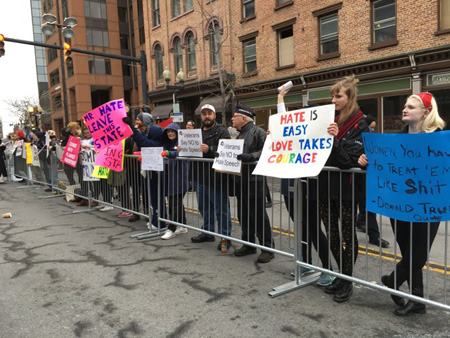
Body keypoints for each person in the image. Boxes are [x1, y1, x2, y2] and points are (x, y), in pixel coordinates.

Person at [359, 92, 446, 316]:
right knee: (408, 253)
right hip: (398, 207)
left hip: (428, 207)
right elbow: (381, 166)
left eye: (411, 107)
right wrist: (364, 160)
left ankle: (392, 281)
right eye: (405, 106)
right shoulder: (394, 141)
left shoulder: (440, 139)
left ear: (426, 112)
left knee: (418, 256)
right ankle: (417, 300)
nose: (404, 110)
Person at [318, 75, 370, 303]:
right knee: (332, 233)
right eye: (332, 95)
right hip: (325, 185)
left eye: (338, 96)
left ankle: (347, 279)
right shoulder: (330, 119)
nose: (333, 99)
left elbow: (348, 160)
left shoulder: (360, 124)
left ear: (349, 98)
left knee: (347, 234)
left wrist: (335, 139)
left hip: (347, 189)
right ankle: (340, 273)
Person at [277, 91, 334, 285]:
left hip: (310, 188)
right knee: (301, 228)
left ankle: (328, 269)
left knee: (312, 228)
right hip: (289, 187)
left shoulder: (319, 137)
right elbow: (281, 122)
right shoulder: (289, 135)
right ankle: (306, 262)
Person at [231, 104, 274, 263]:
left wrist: (251, 156)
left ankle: (268, 248)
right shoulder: (240, 135)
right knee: (244, 215)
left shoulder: (259, 132)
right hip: (242, 181)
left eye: (234, 116)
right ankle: (248, 244)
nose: (232, 119)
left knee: (258, 216)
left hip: (255, 181)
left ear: (243, 118)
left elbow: (266, 151)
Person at [190, 104, 233, 250]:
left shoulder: (222, 131)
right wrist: (182, 149)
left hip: (216, 178)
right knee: (204, 208)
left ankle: (225, 238)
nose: (206, 116)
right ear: (200, 116)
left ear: (214, 115)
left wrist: (210, 149)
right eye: (204, 114)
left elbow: (227, 150)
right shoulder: (197, 133)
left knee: (221, 210)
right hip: (199, 177)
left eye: (209, 113)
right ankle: (207, 232)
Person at [123, 112, 166, 230]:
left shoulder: (155, 143)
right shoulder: (153, 140)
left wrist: (131, 126)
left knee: (157, 199)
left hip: (155, 174)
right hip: (150, 172)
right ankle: (155, 221)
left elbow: (142, 141)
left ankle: (160, 223)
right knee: (153, 198)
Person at [355, 115, 390, 248]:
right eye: (370, 127)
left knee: (369, 205)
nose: (372, 130)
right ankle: (347, 234)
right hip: (351, 176)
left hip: (365, 177)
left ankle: (374, 236)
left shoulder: (373, 138)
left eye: (374, 128)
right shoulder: (355, 135)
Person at [159, 123, 189, 239]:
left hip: (179, 178)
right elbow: (159, 152)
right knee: (175, 203)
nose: (170, 133)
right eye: (168, 132)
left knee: (174, 205)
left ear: (177, 132)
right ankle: (182, 225)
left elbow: (181, 153)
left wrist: (169, 153)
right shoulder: (167, 143)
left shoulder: (182, 143)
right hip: (170, 178)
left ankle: (172, 228)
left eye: (172, 131)